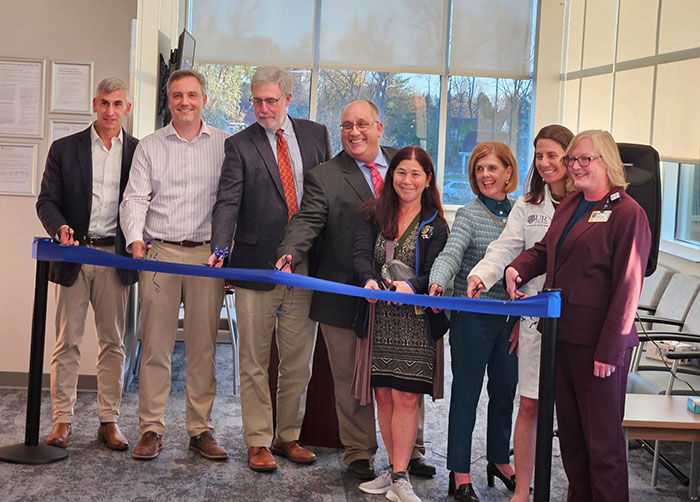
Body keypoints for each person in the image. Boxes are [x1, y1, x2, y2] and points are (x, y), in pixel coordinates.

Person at [275, 100, 435, 480]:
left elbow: (431, 218)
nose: (354, 131)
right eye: (347, 125)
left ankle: (411, 451)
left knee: (405, 378)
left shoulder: (407, 163)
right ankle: (358, 452)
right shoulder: (324, 176)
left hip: (403, 300)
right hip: (343, 294)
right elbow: (307, 221)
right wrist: (288, 252)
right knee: (351, 381)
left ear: (380, 127)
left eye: (362, 124)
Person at [505, 130, 651, 502]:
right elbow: (544, 250)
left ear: (608, 163)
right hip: (560, 339)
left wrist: (609, 349)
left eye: (586, 159)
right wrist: (517, 268)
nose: (576, 166)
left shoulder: (628, 213)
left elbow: (628, 287)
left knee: (602, 447)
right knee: (571, 442)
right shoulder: (571, 204)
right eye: (573, 159)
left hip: (598, 348)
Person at [209, 66, 331, 472]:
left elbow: (325, 200)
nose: (263, 108)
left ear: (288, 100)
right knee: (255, 361)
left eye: (271, 100)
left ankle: (287, 437)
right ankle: (258, 439)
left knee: (298, 361)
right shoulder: (239, 144)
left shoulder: (316, 136)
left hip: (304, 267)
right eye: (257, 101)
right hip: (254, 266)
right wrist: (221, 247)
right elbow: (228, 201)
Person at [120, 69, 228, 461]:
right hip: (159, 254)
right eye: (177, 95)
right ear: (169, 100)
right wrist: (134, 238)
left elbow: (231, 204)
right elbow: (135, 198)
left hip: (205, 258)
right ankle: (151, 428)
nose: (185, 102)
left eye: (192, 95)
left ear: (204, 100)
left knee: (203, 348)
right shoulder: (149, 146)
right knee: (156, 347)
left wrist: (227, 252)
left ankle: (200, 430)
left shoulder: (224, 145)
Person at [466, 125, 574, 501]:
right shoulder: (528, 205)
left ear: (571, 156)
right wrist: (481, 274)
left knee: (573, 411)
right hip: (533, 321)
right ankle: (522, 491)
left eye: (553, 155)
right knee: (529, 403)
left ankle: (580, 487)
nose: (545, 163)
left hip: (577, 323)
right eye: (539, 156)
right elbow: (505, 248)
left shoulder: (588, 202)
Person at [36, 77, 138, 451]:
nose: (110, 111)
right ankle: (62, 420)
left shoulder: (138, 152)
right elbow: (46, 200)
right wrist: (60, 226)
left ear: (126, 108)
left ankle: (108, 421)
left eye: (117, 104)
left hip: (116, 256)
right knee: (68, 343)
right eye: (104, 103)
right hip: (75, 255)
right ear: (94, 104)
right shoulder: (65, 149)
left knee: (113, 344)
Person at [353, 146, 448, 502]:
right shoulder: (373, 214)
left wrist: (414, 286)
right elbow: (361, 255)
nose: (407, 181)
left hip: (416, 324)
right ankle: (392, 469)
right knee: (383, 395)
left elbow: (437, 270)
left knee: (407, 396)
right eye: (401, 173)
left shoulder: (434, 224)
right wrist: (367, 280)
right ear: (391, 175)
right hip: (378, 319)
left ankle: (401, 477)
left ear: (428, 180)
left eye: (415, 174)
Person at [429, 142, 519, 502]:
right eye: (480, 169)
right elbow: (450, 254)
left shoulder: (519, 214)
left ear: (508, 172)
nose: (486, 175)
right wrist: (438, 280)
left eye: (493, 168)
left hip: (510, 319)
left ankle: (499, 459)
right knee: (466, 394)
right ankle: (459, 471)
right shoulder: (468, 214)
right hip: (472, 318)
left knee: (505, 392)